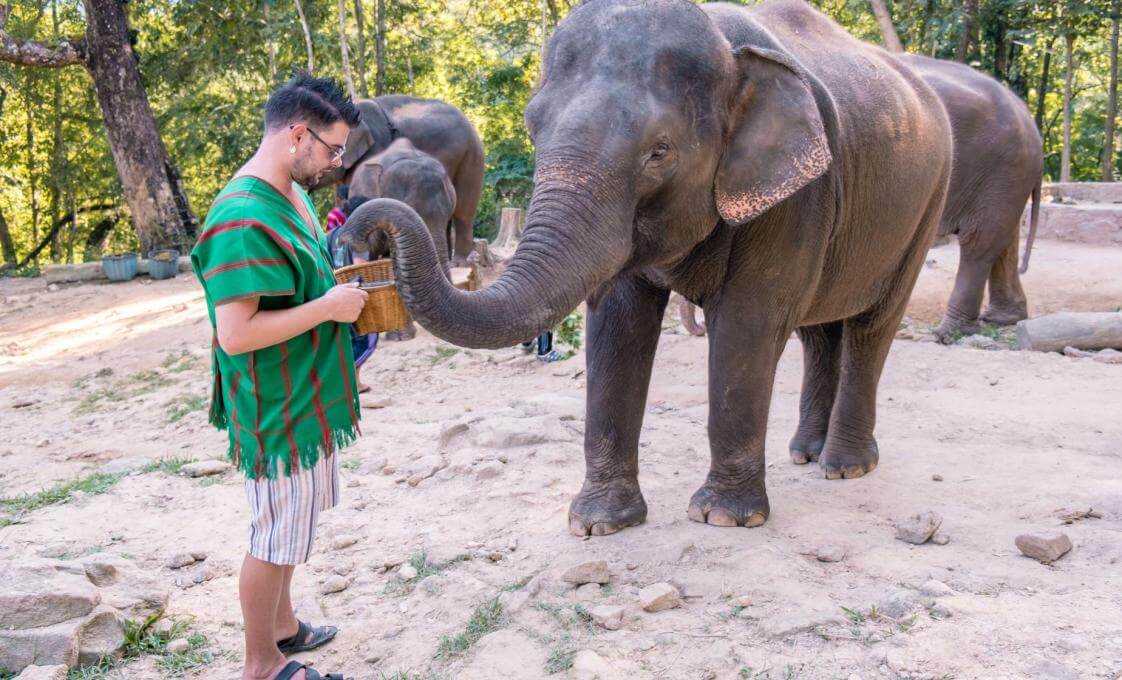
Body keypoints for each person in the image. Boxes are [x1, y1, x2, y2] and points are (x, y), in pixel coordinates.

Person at [189, 73, 365, 680]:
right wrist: (327, 309)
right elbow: (234, 335)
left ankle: (285, 626)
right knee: (273, 536)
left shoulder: (289, 191)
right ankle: (261, 665)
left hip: (304, 391)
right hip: (275, 404)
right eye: (334, 148)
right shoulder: (240, 216)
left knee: (294, 526)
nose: (338, 163)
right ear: (297, 135)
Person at [325, 195, 378, 393]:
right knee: (365, 339)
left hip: (333, 293)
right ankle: (352, 381)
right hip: (354, 295)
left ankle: (350, 381)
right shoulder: (360, 238)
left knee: (344, 340)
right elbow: (360, 267)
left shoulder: (331, 235)